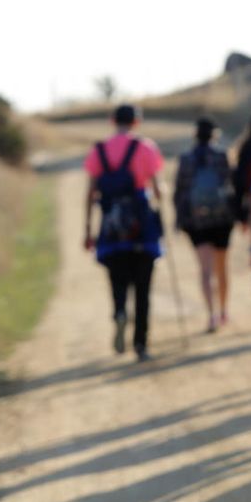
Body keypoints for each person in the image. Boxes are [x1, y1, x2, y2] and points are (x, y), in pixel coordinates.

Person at [83, 104, 165, 362]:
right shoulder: (145, 147)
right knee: (143, 288)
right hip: (141, 227)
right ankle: (141, 344)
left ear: (112, 121)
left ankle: (119, 311)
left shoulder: (99, 151)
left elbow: (90, 193)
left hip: (111, 228)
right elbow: (158, 189)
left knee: (117, 280)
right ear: (136, 122)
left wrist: (87, 228)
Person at [174, 117, 235, 332]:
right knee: (222, 267)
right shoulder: (221, 155)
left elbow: (180, 191)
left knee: (205, 269)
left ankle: (211, 315)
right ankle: (224, 310)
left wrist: (179, 221)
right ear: (214, 135)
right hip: (221, 219)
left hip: (196, 221)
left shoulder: (186, 158)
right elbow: (231, 185)